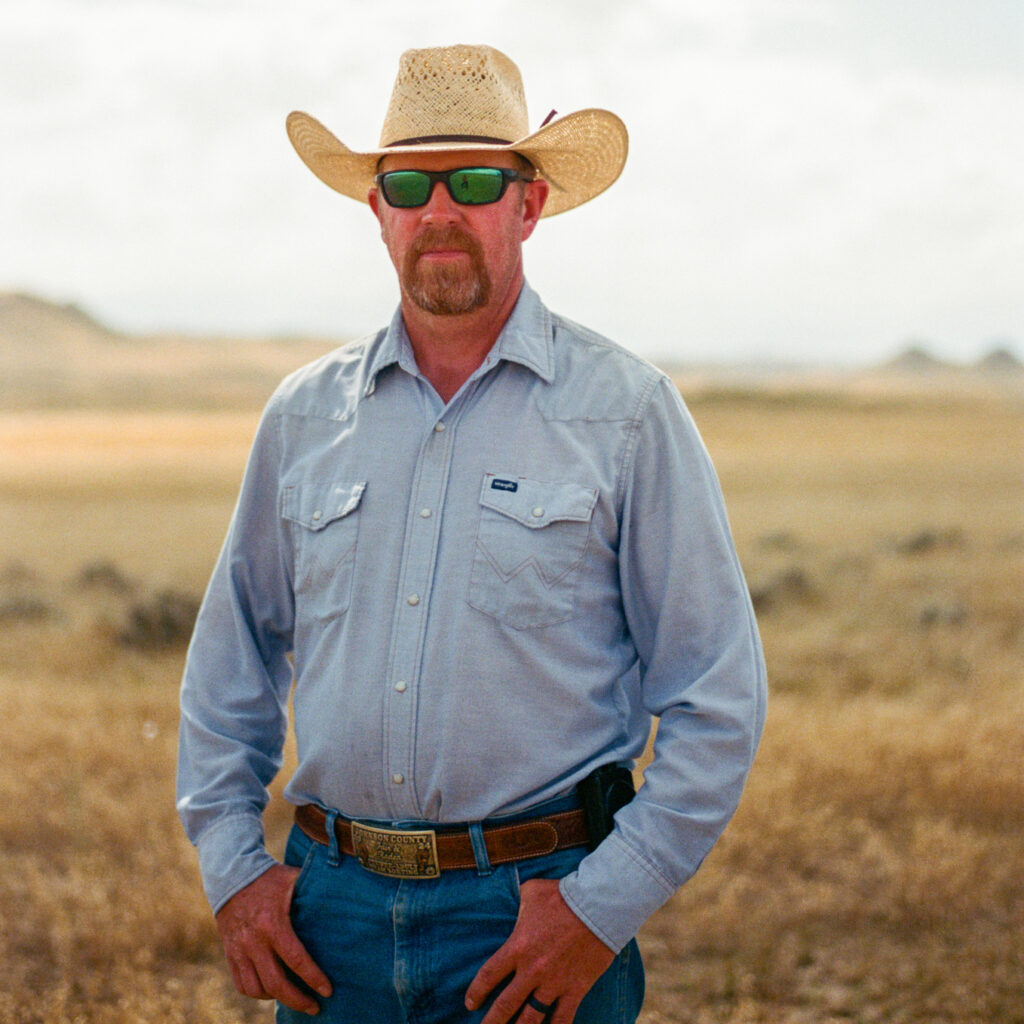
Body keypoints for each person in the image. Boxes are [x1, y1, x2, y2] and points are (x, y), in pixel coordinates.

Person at [177, 44, 767, 1024]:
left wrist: (599, 909)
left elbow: (716, 694)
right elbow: (229, 663)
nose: (438, 210)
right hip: (332, 924)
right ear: (378, 210)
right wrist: (235, 869)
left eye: (475, 180)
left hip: (534, 919)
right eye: (408, 182)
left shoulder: (625, 412)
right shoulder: (301, 416)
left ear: (527, 204)